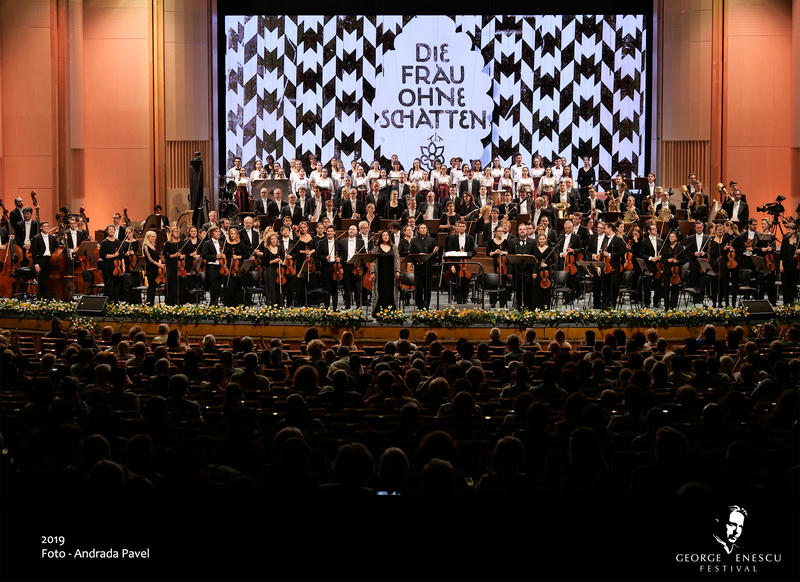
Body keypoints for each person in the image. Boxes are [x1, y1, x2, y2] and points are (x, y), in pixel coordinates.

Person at [370, 230, 400, 317]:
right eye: (384, 235)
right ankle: (379, 311)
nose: (386, 236)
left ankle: (392, 311)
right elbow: (373, 261)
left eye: (387, 235)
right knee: (380, 291)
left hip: (391, 273)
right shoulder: (376, 248)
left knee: (391, 291)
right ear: (381, 237)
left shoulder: (394, 247)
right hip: (380, 273)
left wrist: (398, 271)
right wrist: (372, 272)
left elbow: (397, 259)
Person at [409, 222, 439, 310]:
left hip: (428, 267)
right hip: (418, 268)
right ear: (418, 230)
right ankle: (419, 306)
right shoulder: (414, 240)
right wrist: (417, 261)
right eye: (421, 228)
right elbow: (411, 253)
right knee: (418, 288)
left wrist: (435, 252)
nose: (423, 229)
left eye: (424, 228)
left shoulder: (432, 240)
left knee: (427, 288)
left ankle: (426, 305)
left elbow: (435, 256)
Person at [445, 220, 475, 304]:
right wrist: (452, 265)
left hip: (467, 264)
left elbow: (473, 251)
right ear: (457, 228)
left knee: (466, 282)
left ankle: (465, 299)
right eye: (460, 226)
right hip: (456, 264)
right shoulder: (452, 238)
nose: (461, 228)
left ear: (465, 228)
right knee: (457, 283)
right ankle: (458, 300)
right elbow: (449, 252)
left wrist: (466, 253)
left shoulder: (470, 238)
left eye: (463, 226)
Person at [509, 222, 535, 309]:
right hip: (517, 271)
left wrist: (534, 272)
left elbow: (535, 259)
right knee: (518, 291)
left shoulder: (532, 242)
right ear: (518, 231)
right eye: (520, 229)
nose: (522, 231)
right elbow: (509, 258)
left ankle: (529, 309)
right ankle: (519, 308)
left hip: (529, 271)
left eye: (524, 229)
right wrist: (510, 271)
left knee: (529, 291)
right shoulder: (513, 242)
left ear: (527, 231)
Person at [201, 226, 225, 306]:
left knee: (219, 287)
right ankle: (213, 304)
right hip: (212, 267)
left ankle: (216, 303)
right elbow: (204, 256)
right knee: (213, 287)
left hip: (221, 267)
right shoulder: (207, 243)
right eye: (216, 231)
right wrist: (215, 256)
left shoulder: (222, 242)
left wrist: (224, 255)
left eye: (219, 231)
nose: (218, 233)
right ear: (211, 233)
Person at [661, 231, 684, 310]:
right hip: (667, 270)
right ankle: (666, 306)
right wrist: (668, 260)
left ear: (676, 238)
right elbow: (662, 260)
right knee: (666, 289)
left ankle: (673, 306)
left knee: (675, 289)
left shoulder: (680, 247)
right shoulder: (665, 247)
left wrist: (677, 261)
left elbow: (684, 259)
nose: (671, 238)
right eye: (670, 236)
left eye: (673, 236)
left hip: (676, 271)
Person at [162, 226, 183, 305]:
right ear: (172, 233)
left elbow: (184, 253)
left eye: (178, 232)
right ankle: (171, 302)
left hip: (180, 265)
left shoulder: (181, 242)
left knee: (180, 283)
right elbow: (165, 256)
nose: (177, 233)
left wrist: (182, 256)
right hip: (171, 265)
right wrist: (174, 255)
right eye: (175, 231)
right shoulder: (168, 243)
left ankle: (180, 301)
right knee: (172, 283)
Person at [532, 232, 554, 309]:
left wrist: (547, 264)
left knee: (546, 289)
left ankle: (546, 307)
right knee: (537, 289)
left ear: (545, 240)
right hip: (538, 271)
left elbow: (554, 260)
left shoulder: (549, 249)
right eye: (540, 239)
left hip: (547, 272)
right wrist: (534, 271)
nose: (541, 240)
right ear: (538, 240)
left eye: (543, 239)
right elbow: (534, 261)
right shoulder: (535, 248)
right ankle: (538, 306)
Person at [142, 230, 164, 306]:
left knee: (154, 287)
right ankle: (149, 304)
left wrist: (160, 263)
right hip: (151, 269)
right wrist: (158, 264)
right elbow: (150, 259)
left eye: (155, 236)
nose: (154, 238)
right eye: (152, 236)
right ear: (148, 237)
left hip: (156, 269)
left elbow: (158, 257)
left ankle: (152, 303)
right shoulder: (146, 246)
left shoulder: (153, 246)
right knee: (151, 287)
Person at [779, 222, 798, 306]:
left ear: (794, 230)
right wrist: (781, 265)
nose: (788, 231)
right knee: (785, 285)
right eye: (788, 229)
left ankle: (793, 304)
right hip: (786, 265)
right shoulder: (785, 239)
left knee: (793, 285)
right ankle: (785, 304)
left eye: (790, 229)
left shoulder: (799, 239)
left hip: (796, 266)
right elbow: (782, 253)